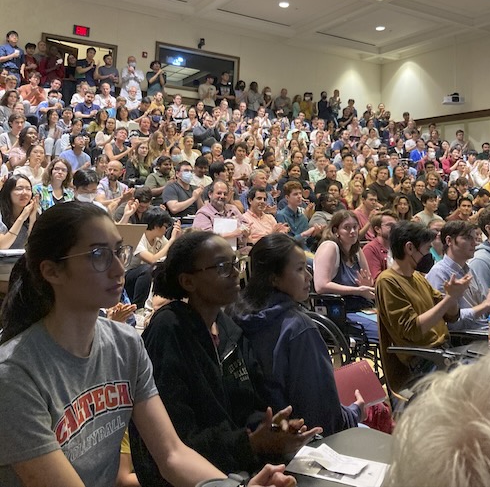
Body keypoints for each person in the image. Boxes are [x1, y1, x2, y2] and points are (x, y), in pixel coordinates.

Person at [0, 202, 293, 487]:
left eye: (118, 252)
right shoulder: (14, 374)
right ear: (52, 271)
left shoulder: (126, 344)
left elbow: (171, 454)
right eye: (99, 255)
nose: (118, 269)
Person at [130, 231, 320, 484]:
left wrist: (272, 428)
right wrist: (250, 442)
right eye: (222, 267)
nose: (234, 273)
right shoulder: (169, 329)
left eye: (235, 264)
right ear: (188, 281)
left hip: (238, 467)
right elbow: (177, 440)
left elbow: (246, 406)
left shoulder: (229, 329)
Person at [232, 234, 364, 436]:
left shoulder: (232, 315)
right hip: (301, 443)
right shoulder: (299, 328)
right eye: (300, 269)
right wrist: (355, 412)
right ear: (274, 278)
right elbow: (322, 419)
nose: (309, 277)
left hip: (259, 435)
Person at [383, 341, 490, 487]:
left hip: (448, 346)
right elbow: (411, 331)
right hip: (424, 361)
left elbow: (454, 319)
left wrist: (451, 316)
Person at [375, 221, 471, 387]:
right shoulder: (387, 281)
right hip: (423, 360)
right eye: (427, 249)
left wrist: (454, 296)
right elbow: (413, 330)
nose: (430, 255)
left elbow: (452, 316)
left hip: (444, 351)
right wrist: (449, 298)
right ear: (410, 248)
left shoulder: (418, 277)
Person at [426, 220, 490, 330]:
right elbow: (447, 322)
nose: (474, 243)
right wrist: (486, 305)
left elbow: (485, 307)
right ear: (449, 241)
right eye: (467, 238)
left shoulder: (469, 269)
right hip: (464, 339)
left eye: (474, 238)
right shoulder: (439, 273)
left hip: (484, 330)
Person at [314, 210, 378, 342]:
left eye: (355, 227)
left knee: (394, 325)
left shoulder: (357, 250)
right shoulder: (329, 247)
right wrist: (358, 290)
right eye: (347, 228)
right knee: (382, 331)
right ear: (336, 230)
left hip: (362, 307)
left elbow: (368, 281)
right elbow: (320, 286)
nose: (353, 231)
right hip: (340, 311)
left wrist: (366, 285)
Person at [362, 211, 398, 280]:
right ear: (377, 229)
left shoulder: (397, 246)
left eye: (395, 225)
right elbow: (377, 279)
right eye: (389, 225)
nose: (394, 228)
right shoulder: (370, 249)